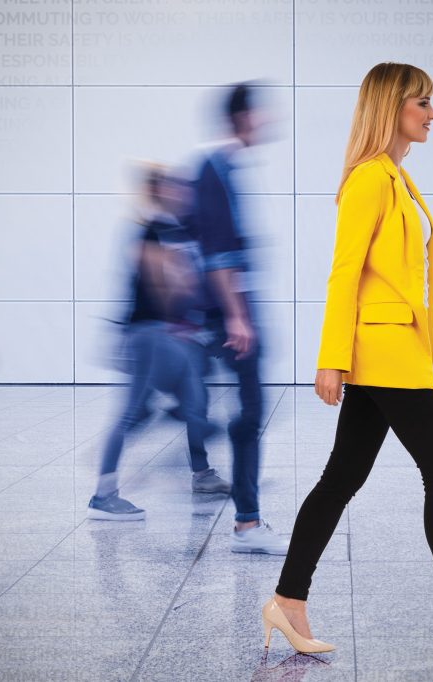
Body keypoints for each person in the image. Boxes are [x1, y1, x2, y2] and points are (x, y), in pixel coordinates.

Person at [262, 63, 433, 656]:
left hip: (399, 352)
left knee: (342, 478)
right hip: (384, 355)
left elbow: (429, 276)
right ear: (391, 108)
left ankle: (286, 602)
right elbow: (344, 273)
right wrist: (330, 358)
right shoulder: (368, 181)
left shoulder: (399, 181)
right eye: (422, 103)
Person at [88, 164, 231, 521]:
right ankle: (103, 495)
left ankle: (202, 474)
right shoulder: (149, 229)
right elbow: (162, 283)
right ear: (159, 192)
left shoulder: (172, 230)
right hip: (149, 336)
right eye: (174, 188)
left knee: (195, 401)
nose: (183, 194)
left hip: (168, 337)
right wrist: (184, 298)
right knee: (130, 412)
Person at [192, 82, 287, 554]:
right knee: (248, 412)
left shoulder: (225, 167)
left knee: (245, 411)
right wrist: (236, 317)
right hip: (228, 311)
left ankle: (242, 511)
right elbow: (216, 254)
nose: (268, 119)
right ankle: (247, 524)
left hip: (231, 309)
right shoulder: (215, 169)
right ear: (243, 117)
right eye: (261, 112)